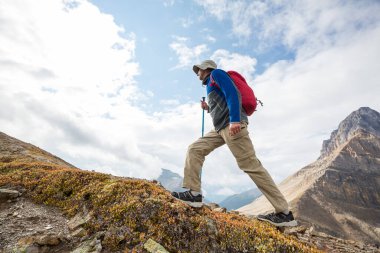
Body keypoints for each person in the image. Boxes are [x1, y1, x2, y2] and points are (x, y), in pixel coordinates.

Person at [171, 60, 297, 227]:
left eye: (199, 70)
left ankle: (284, 213)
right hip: (220, 129)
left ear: (207, 69)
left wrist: (235, 120)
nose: (197, 73)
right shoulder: (210, 83)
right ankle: (194, 194)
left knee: (251, 166)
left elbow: (233, 93)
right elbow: (222, 104)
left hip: (232, 126)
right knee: (195, 149)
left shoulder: (217, 74)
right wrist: (208, 108)